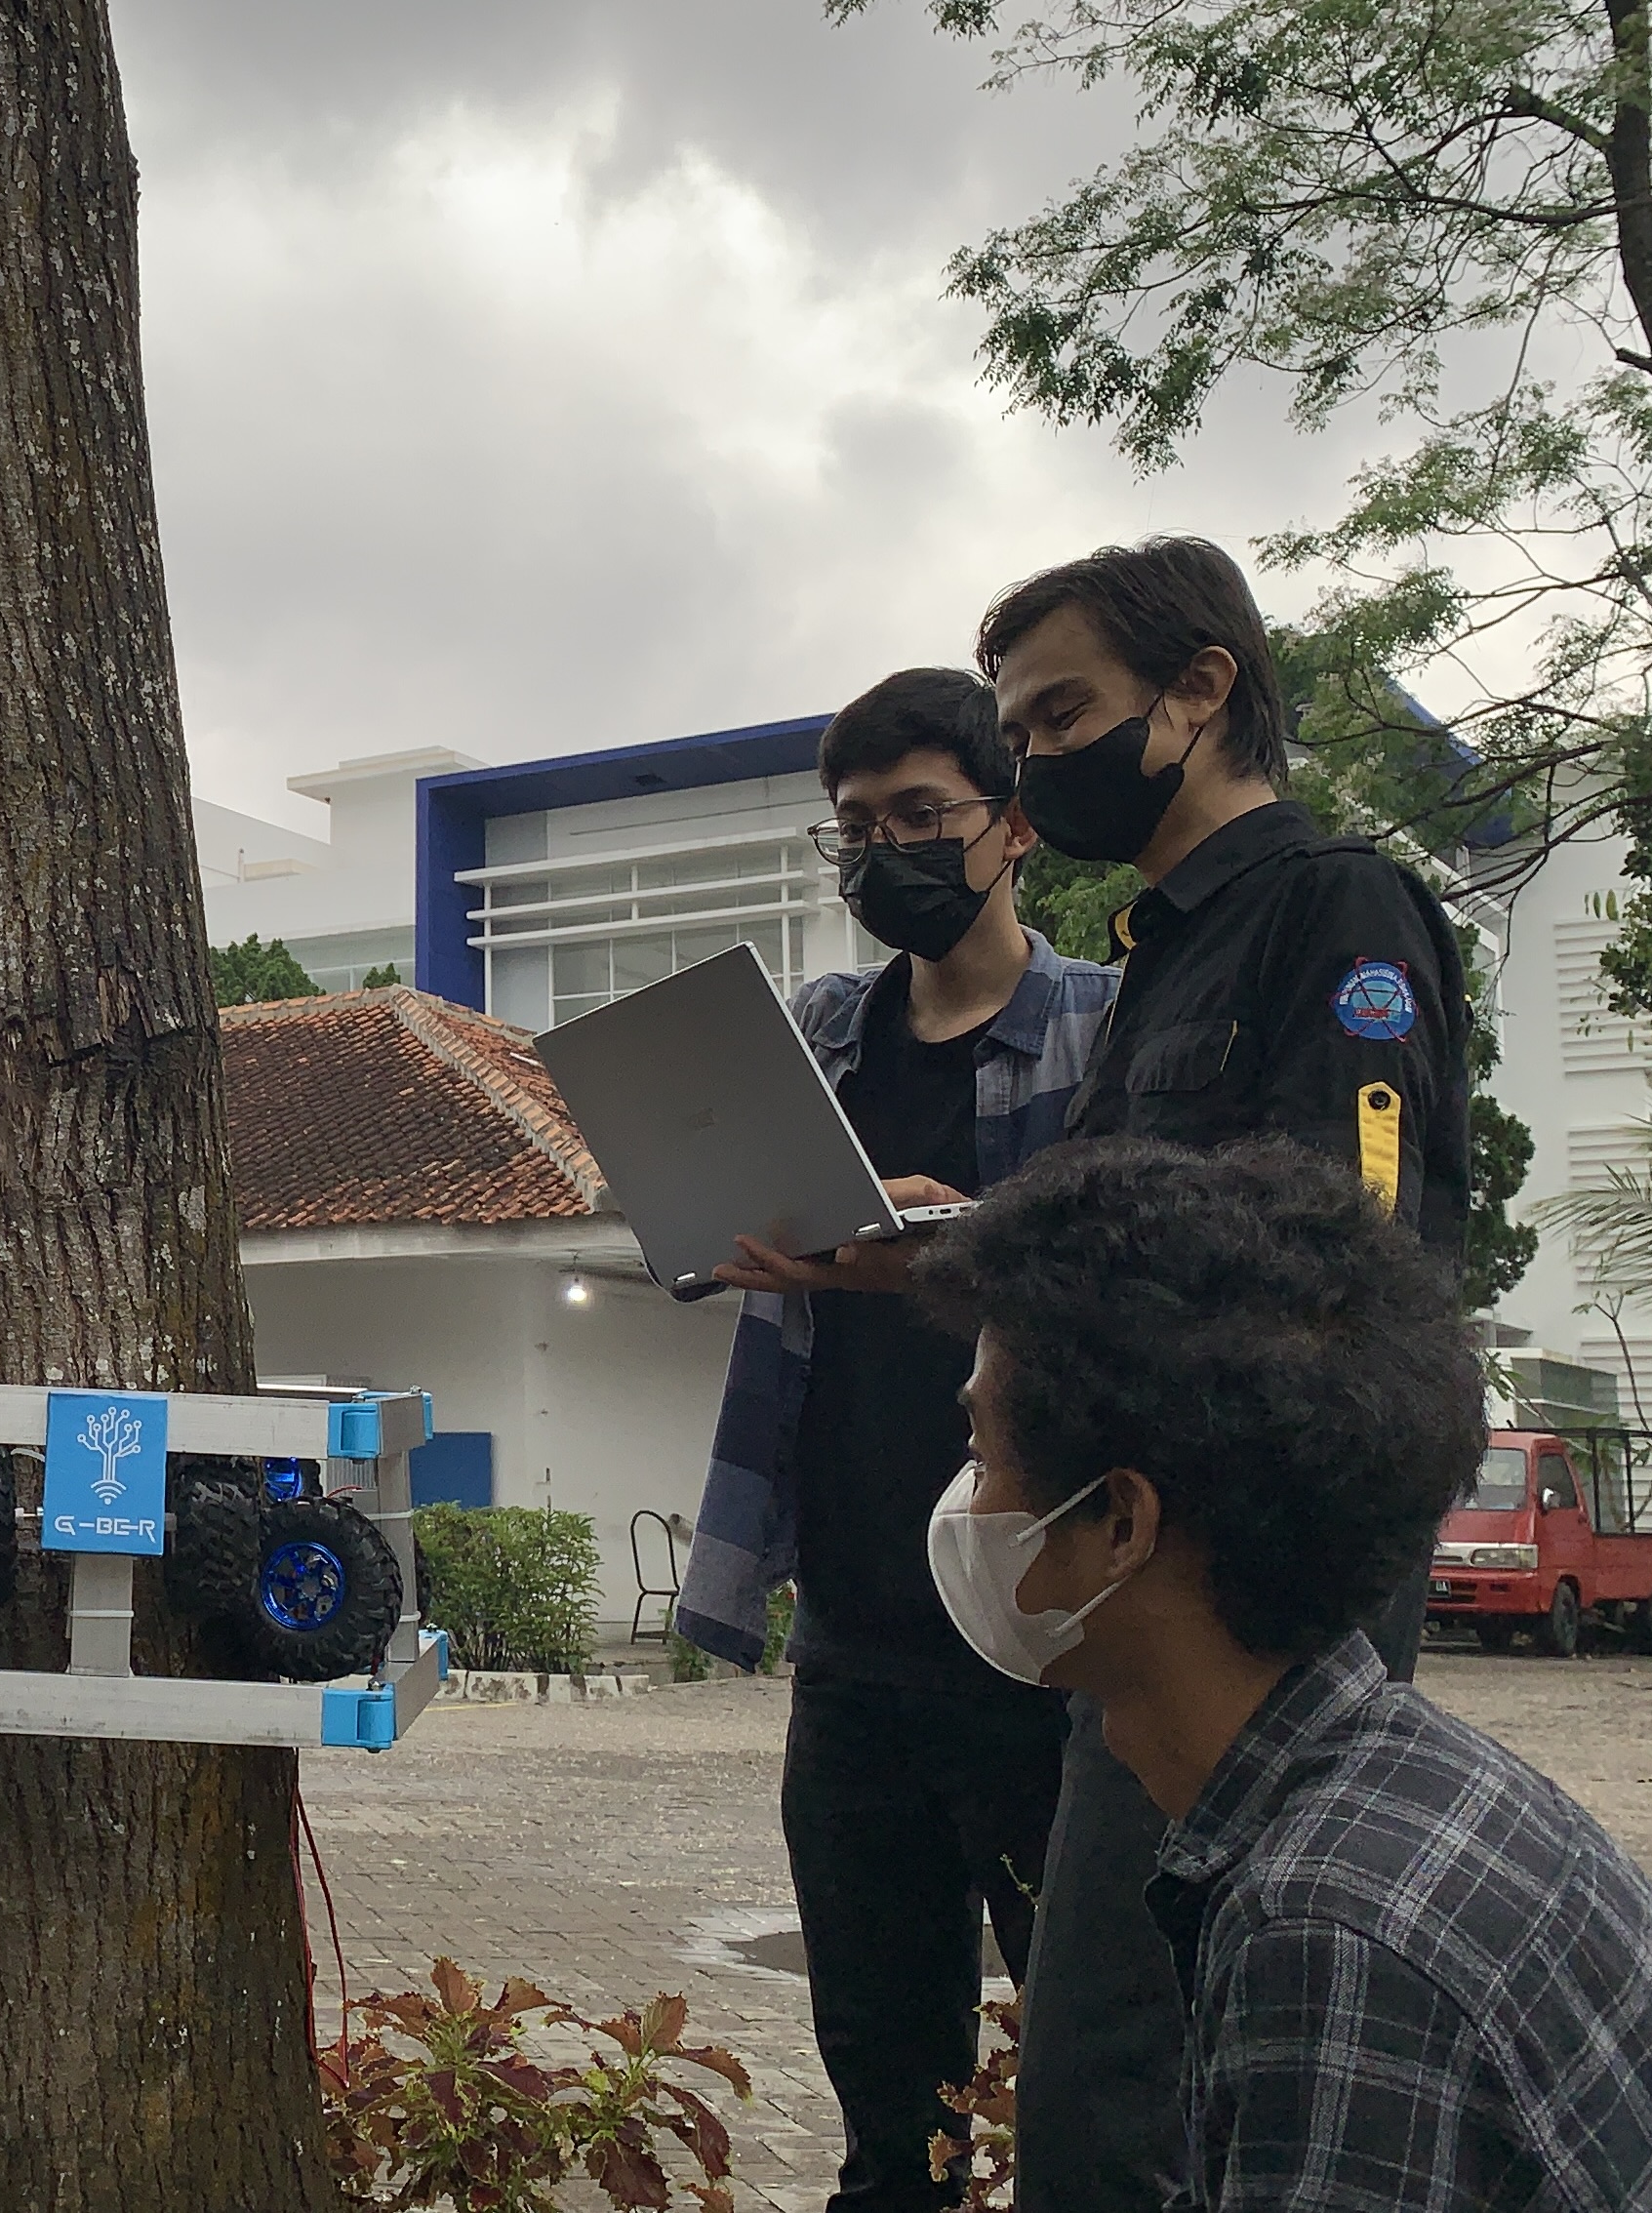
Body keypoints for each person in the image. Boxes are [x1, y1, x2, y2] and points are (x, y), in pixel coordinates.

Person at [911, 1138, 1652, 2212]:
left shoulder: (1328, 1933)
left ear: (1122, 1524)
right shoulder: (1411, 1786)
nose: (965, 1501)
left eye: (984, 1453)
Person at [977, 536, 1471, 2212]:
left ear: (1200, 691)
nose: (1031, 763)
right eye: (1017, 732)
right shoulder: (1146, 960)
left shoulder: (1333, 906)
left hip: (1240, 1584)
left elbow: (1350, 1255)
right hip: (1129, 1571)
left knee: (1128, 2052)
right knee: (1126, 2052)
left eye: (1060, 713)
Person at [679, 670, 1117, 2211]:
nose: (885, 854)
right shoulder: (815, 1036)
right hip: (853, 1637)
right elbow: (734, 1248)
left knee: (1088, 2069)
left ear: (1013, 829)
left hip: (1043, 1644)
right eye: (855, 828)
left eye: (921, 815)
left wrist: (958, 1237)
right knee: (886, 2095)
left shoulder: (1102, 1027)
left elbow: (1124, 1260)